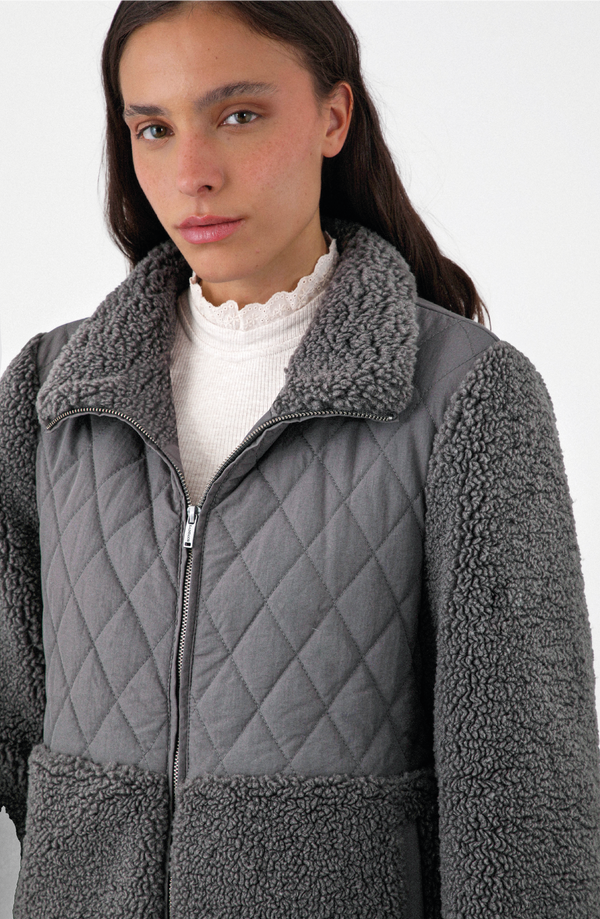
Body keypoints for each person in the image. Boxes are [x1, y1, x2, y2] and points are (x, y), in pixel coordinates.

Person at [1, 0, 599, 915]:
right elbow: (14, 726)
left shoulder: (466, 395)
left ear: (333, 116)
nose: (193, 173)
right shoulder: (53, 394)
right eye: (154, 129)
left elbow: (526, 797)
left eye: (239, 114)